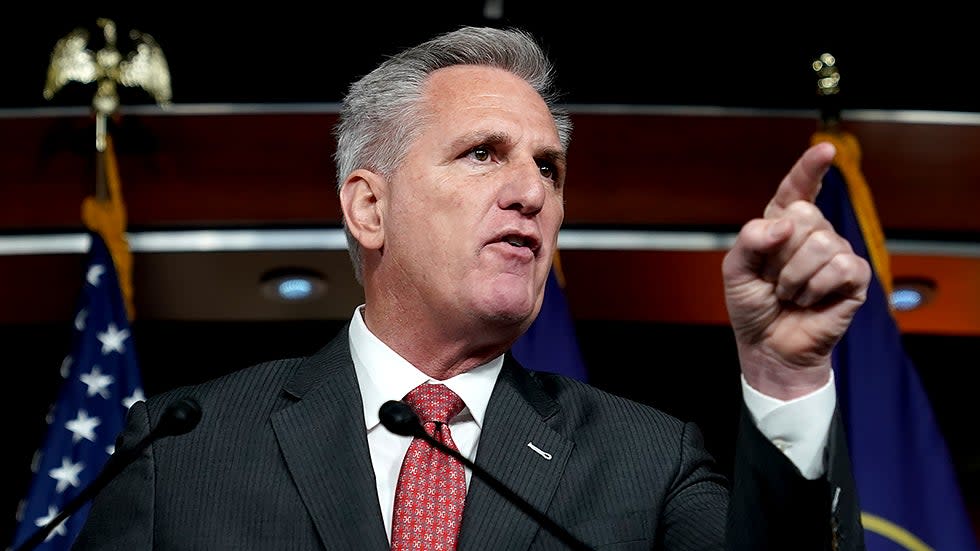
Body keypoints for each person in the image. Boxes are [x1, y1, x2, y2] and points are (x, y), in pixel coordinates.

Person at [73, 25, 870, 550]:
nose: (532, 192)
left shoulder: (648, 463)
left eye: (548, 168)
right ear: (369, 206)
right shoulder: (181, 452)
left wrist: (785, 377)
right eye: (484, 153)